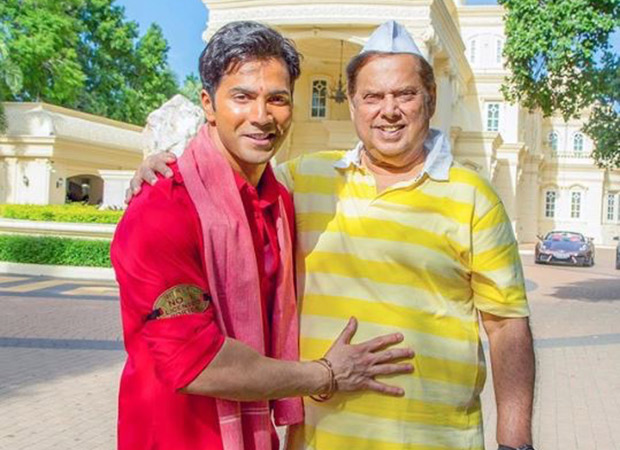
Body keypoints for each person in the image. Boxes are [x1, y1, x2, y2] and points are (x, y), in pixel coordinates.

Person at [129, 20, 536, 450]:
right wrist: (166, 166)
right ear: (353, 105)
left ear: (430, 100)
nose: (389, 110)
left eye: (405, 94)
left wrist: (515, 442)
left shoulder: (473, 196)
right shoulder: (303, 179)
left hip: (438, 440)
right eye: (372, 97)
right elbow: (223, 181)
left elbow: (506, 326)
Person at [112, 21, 414, 450]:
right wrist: (326, 373)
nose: (261, 116)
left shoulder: (279, 200)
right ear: (208, 104)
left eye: (277, 99)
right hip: (173, 437)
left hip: (256, 437)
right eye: (242, 97)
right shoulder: (163, 209)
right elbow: (196, 363)